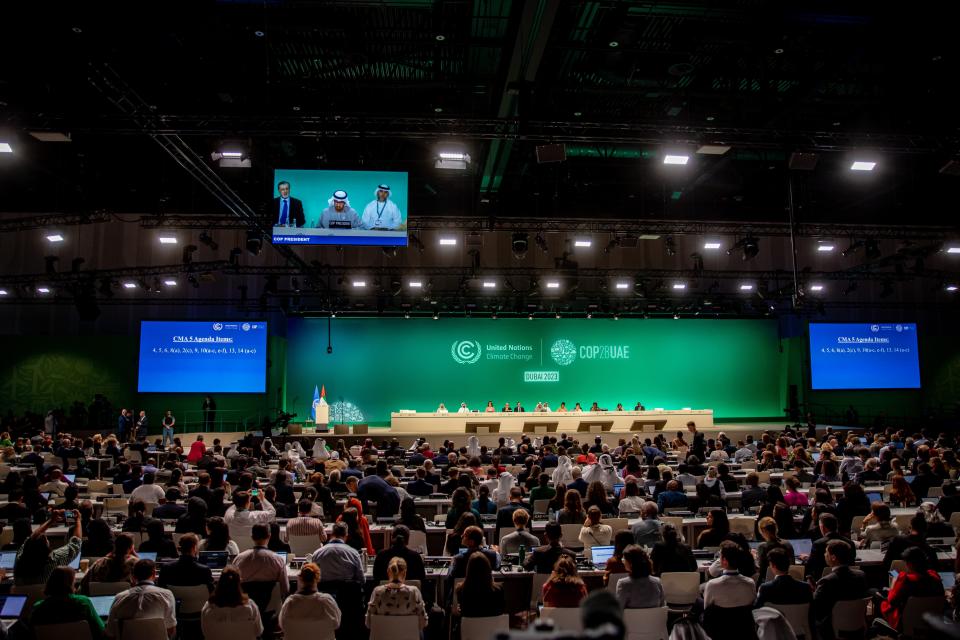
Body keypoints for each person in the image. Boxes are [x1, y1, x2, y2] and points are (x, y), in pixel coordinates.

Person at [878, 546, 943, 632]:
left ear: (910, 564)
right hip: (931, 622)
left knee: (876, 594)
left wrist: (894, 583)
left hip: (905, 621)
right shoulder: (935, 577)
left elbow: (892, 601)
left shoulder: (905, 579)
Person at [812, 540, 869, 640]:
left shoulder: (827, 581)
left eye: (826, 552)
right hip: (857, 626)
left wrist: (814, 592)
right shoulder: (861, 575)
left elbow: (817, 610)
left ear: (833, 557)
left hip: (832, 630)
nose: (825, 555)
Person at [106, 559, 177, 638]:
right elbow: (171, 630)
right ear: (154, 573)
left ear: (133, 575)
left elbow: (110, 632)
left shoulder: (119, 597)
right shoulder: (166, 595)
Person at [31, 565, 104, 638]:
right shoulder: (83, 602)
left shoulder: (38, 608)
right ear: (70, 583)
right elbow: (100, 630)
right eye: (74, 581)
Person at [15, 509, 82, 586]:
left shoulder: (19, 558)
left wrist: (51, 520)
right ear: (46, 548)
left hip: (21, 597)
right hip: (45, 597)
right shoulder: (53, 560)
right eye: (46, 539)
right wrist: (78, 520)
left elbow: (30, 539)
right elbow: (75, 544)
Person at [200, 566, 263, 639]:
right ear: (239, 583)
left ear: (219, 582)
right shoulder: (251, 605)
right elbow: (259, 631)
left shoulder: (208, 607)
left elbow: (205, 633)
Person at [278, 562, 341, 634]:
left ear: (300, 579)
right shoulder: (327, 601)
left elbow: (282, 625)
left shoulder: (290, 602)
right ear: (317, 579)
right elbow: (336, 624)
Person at [366, 557, 428, 628]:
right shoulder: (414, 592)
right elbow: (423, 623)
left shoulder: (377, 592)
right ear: (405, 573)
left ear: (388, 572)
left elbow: (368, 623)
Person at [232, 524, 289, 598]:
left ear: (252, 537)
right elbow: (285, 589)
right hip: (272, 606)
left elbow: (233, 586)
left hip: (246, 604)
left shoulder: (238, 559)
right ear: (269, 536)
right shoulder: (278, 560)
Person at [702, 541, 757, 608]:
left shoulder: (712, 585)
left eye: (720, 556)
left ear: (725, 561)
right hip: (742, 618)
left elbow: (707, 610)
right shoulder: (750, 583)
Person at [455, 552, 505, 617]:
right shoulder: (499, 590)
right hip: (493, 626)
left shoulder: (461, 590)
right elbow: (501, 611)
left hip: (470, 626)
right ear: (488, 569)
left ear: (468, 570)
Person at [806, 513, 854, 580]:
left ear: (822, 527)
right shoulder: (850, 543)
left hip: (822, 580)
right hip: (849, 581)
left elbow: (812, 566)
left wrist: (808, 558)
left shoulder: (818, 544)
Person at [755, 516, 795, 581]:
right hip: (788, 579)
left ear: (762, 530)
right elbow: (793, 565)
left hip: (768, 581)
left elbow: (761, 569)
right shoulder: (787, 544)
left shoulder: (762, 547)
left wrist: (755, 557)